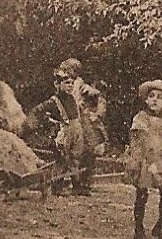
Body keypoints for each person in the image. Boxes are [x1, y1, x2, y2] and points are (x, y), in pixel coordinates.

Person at [30, 58, 106, 196]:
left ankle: (77, 186)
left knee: (75, 159)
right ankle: (57, 187)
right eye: (66, 83)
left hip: (77, 131)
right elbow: (38, 111)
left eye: (72, 83)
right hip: (64, 132)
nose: (70, 86)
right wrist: (48, 122)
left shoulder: (72, 98)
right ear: (57, 85)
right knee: (63, 159)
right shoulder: (54, 100)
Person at [126, 80, 162, 239]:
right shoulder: (141, 118)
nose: (155, 100)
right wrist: (148, 162)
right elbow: (138, 143)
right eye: (151, 96)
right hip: (143, 161)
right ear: (146, 100)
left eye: (159, 97)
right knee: (142, 193)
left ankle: (160, 225)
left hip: (159, 161)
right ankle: (139, 230)